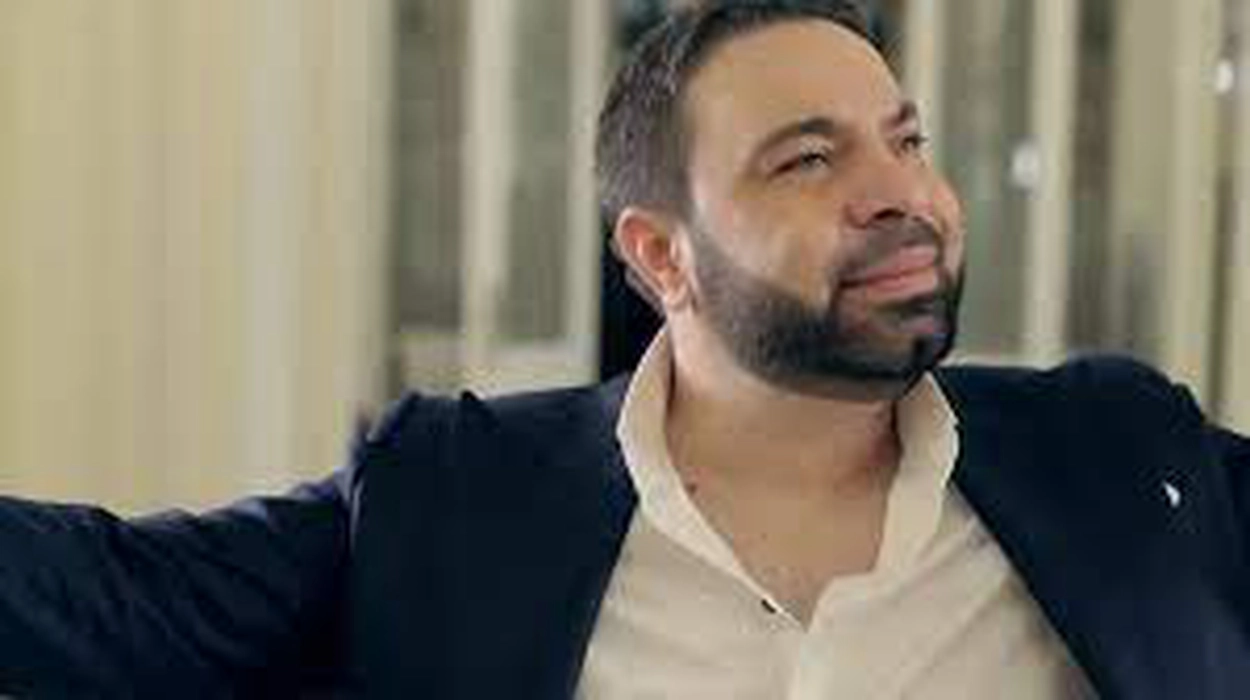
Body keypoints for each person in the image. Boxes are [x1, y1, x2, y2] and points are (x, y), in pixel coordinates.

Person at [3, 1, 1249, 697]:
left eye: (904, 141)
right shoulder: (453, 500)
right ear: (661, 256)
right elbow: (100, 604)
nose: (897, 193)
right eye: (808, 159)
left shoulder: (1125, 456)